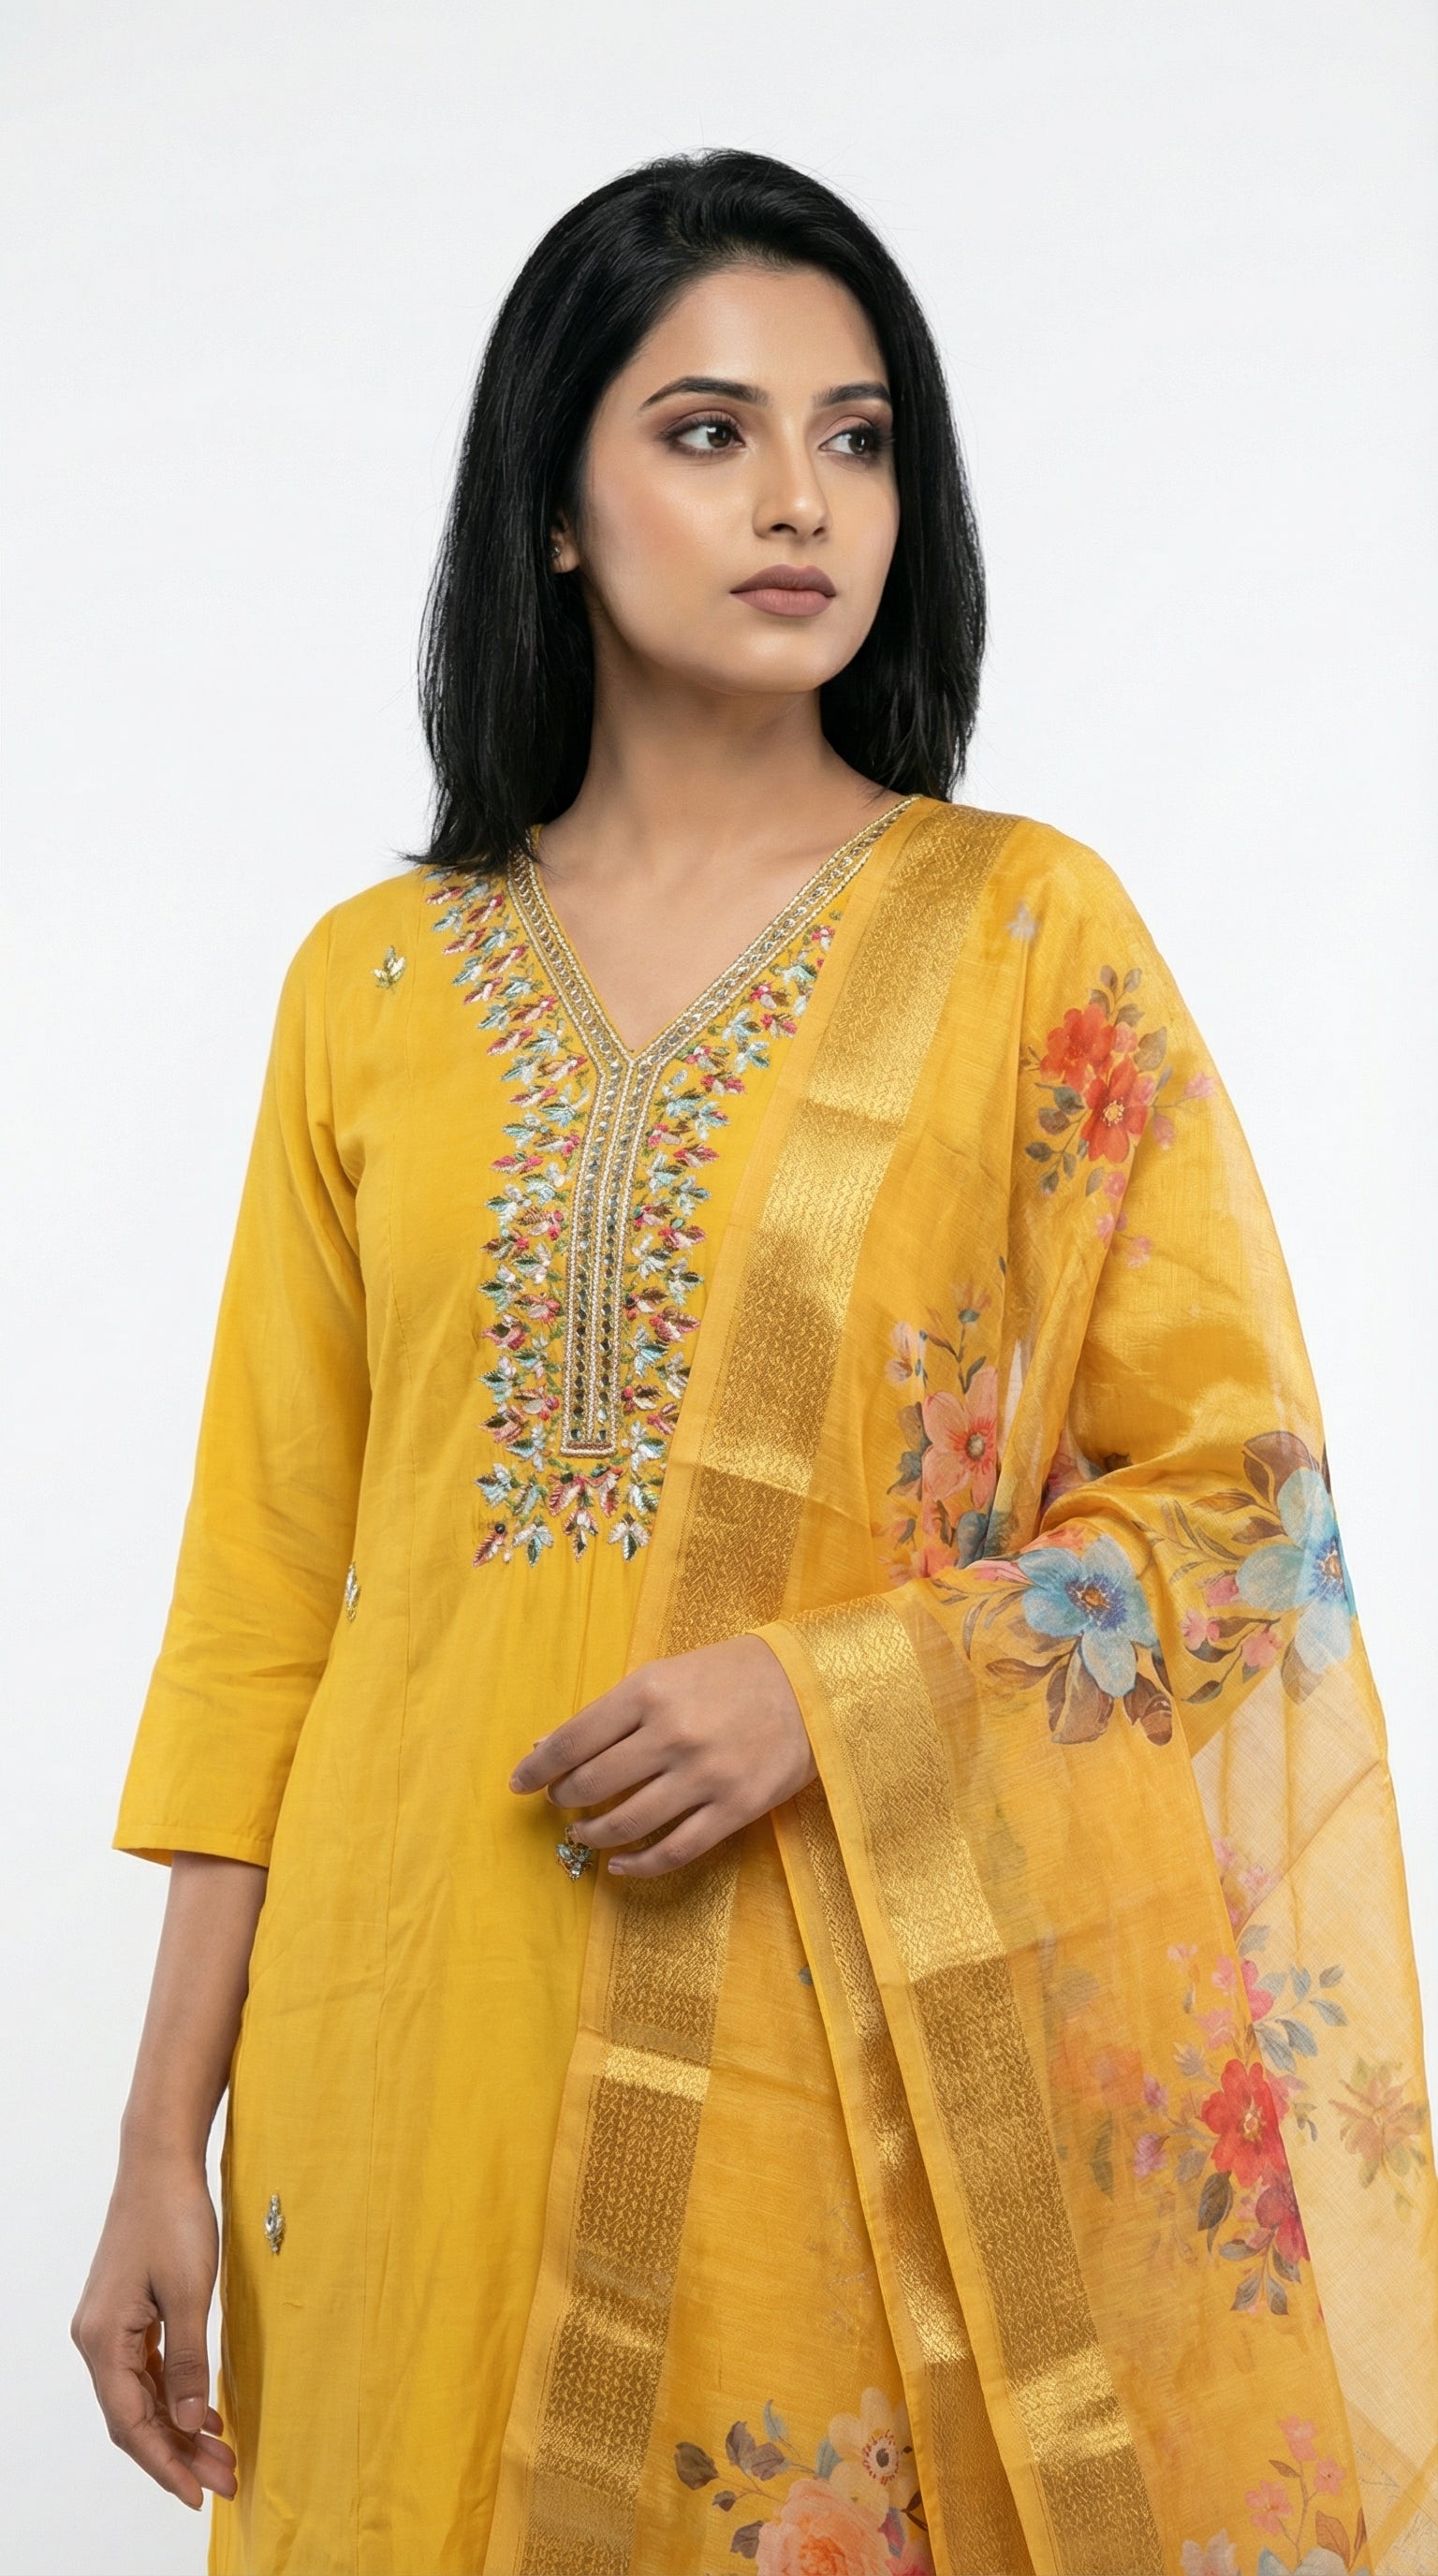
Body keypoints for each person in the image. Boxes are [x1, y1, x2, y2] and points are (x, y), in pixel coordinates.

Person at [72, 149, 1436, 2576]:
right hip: (401, 2032)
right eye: (708, 431)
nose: (804, 497)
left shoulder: (1022, 933)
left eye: (861, 433)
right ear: (560, 506)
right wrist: (155, 2143)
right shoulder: (365, 989)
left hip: (832, 2037)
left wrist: (842, 1694)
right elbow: (265, 1596)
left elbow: (1248, 1506)